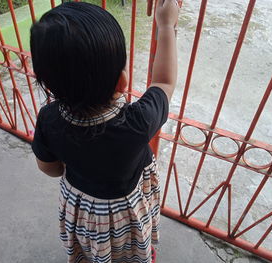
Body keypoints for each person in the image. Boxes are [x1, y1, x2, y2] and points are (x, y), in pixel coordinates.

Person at [30, 0, 178, 262]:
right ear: (122, 82)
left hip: (83, 209)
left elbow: (49, 168)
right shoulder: (138, 122)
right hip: (126, 212)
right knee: (129, 243)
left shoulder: (49, 118)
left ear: (47, 81)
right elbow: (164, 82)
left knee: (93, 246)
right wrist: (166, 25)